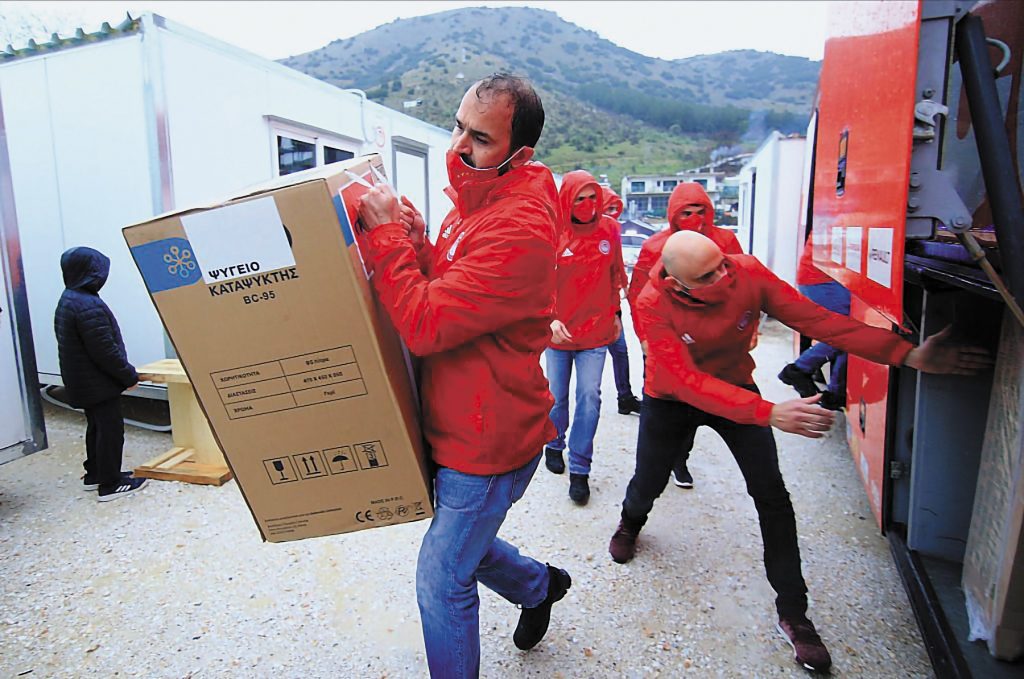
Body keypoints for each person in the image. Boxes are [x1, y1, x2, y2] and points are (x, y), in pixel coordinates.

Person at [608, 231, 992, 673]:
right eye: (708, 275)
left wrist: (906, 355)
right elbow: (684, 381)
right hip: (672, 398)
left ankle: (794, 612)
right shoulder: (653, 302)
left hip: (736, 386)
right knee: (649, 480)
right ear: (678, 283)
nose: (724, 276)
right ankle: (631, 521)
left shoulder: (747, 273)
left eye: (723, 263)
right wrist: (768, 412)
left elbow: (820, 321)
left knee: (772, 496)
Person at [356, 74, 572, 679]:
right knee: (466, 548)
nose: (458, 145)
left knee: (442, 576)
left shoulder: (518, 225)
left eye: (479, 138)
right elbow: (451, 290)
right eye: (458, 126)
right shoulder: (478, 199)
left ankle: (537, 587)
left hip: (487, 440)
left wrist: (385, 238)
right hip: (457, 420)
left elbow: (425, 324)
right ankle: (538, 586)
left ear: (518, 154)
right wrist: (417, 241)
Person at [626, 181, 744, 489]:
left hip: (708, 339)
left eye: (700, 211)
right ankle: (650, 470)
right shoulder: (655, 247)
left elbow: (743, 288)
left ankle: (680, 458)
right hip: (664, 336)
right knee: (659, 403)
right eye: (686, 212)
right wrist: (644, 336)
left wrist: (747, 328)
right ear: (673, 214)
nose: (695, 219)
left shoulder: (725, 241)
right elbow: (637, 293)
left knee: (696, 400)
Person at [544, 171, 626, 505]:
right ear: (568, 199)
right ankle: (554, 442)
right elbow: (537, 281)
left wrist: (617, 313)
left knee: (590, 396)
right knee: (556, 397)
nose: (588, 204)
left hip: (596, 333)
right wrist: (549, 319)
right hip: (559, 335)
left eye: (593, 197)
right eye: (580, 198)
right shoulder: (553, 231)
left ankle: (580, 468)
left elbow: (615, 275)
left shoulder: (609, 230)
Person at [54, 247, 148, 501]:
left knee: (96, 427)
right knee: (110, 431)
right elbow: (105, 351)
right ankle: (110, 484)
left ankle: (95, 473)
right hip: (98, 384)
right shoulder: (88, 305)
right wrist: (128, 376)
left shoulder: (69, 298)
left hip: (83, 382)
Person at [778, 236, 852, 410]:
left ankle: (836, 394)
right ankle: (799, 370)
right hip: (823, 279)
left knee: (848, 334)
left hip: (823, 276)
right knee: (847, 333)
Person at [601, 186, 642, 415]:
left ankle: (625, 396)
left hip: (612, 305)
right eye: (608, 209)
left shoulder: (613, 230)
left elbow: (617, 265)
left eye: (615, 209)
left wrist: (624, 286)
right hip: (588, 307)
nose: (612, 214)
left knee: (620, 350)